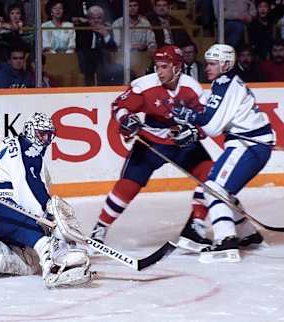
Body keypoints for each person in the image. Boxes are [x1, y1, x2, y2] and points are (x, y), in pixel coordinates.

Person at [90, 45, 216, 253]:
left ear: (177, 68)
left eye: (164, 67)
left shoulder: (191, 88)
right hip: (151, 143)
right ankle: (100, 228)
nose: (159, 71)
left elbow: (207, 120)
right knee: (128, 185)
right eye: (157, 66)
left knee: (210, 174)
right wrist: (126, 119)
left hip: (181, 144)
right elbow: (119, 106)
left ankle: (196, 226)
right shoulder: (145, 86)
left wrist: (194, 132)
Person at [0, 112, 92, 288]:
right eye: (41, 134)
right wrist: (49, 216)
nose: (45, 139)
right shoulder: (29, 153)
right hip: (2, 208)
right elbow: (29, 187)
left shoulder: (9, 142)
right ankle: (53, 267)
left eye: (48, 135)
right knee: (43, 236)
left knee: (30, 259)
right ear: (30, 131)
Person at [171, 44, 270, 263]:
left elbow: (212, 127)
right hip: (250, 145)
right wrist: (190, 118)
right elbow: (206, 115)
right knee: (220, 189)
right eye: (207, 63)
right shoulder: (224, 82)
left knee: (213, 188)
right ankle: (247, 234)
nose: (207, 67)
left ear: (226, 64)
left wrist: (188, 118)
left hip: (248, 146)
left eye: (213, 63)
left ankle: (226, 241)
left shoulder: (226, 84)